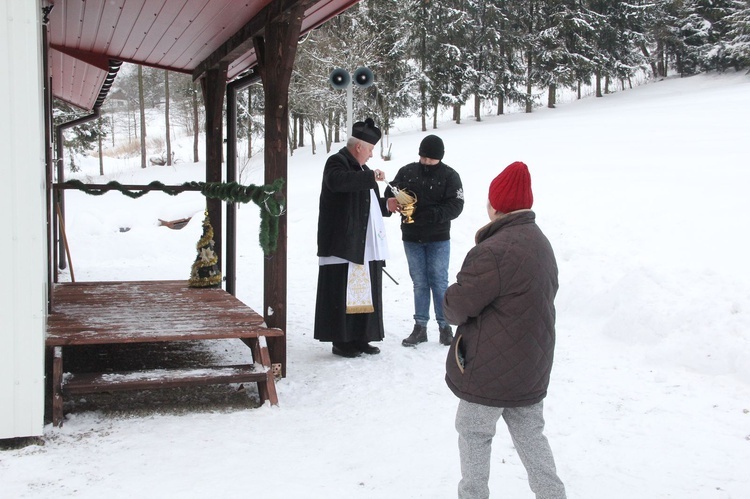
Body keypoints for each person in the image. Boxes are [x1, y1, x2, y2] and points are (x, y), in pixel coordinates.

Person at [443, 161, 566, 499]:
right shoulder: (541, 243)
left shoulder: (494, 251)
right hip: (532, 364)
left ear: (495, 206)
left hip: (489, 369)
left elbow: (458, 307)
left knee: (473, 431)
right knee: (530, 436)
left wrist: (449, 293)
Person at [314, 118, 392, 358]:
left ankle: (361, 337)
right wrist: (370, 179)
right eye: (369, 149)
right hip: (341, 242)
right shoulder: (336, 162)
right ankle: (342, 341)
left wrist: (386, 204)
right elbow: (338, 183)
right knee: (341, 291)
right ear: (358, 147)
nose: (371, 155)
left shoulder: (363, 171)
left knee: (364, 291)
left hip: (363, 244)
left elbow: (366, 203)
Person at [386, 135, 464, 347]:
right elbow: (390, 191)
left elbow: (456, 205)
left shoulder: (450, 176)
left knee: (439, 282)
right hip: (411, 238)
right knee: (419, 282)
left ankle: (445, 327)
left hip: (438, 238)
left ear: (440, 157)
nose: (426, 162)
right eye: (423, 157)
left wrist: (431, 215)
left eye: (430, 159)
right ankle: (420, 327)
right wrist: (390, 201)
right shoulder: (407, 172)